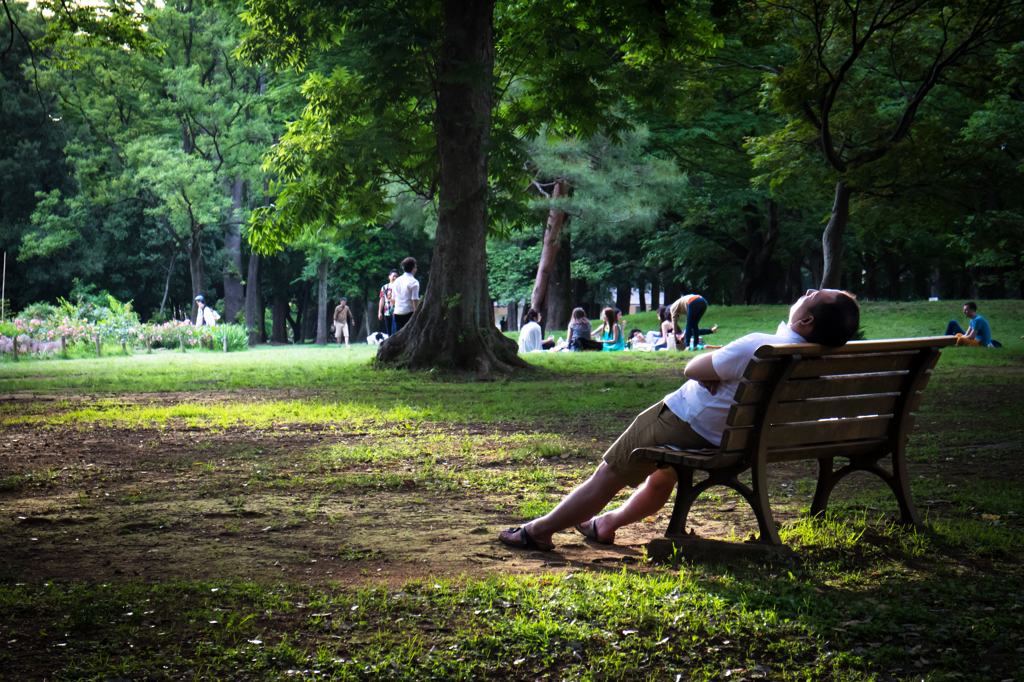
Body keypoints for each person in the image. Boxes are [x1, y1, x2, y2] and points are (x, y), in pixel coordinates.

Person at [498, 289, 860, 551]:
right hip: (736, 438)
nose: (808, 290)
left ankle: (539, 531)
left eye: (813, 294)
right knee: (662, 477)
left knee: (609, 474)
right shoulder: (823, 359)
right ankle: (604, 524)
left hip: (686, 422)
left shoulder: (759, 346)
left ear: (807, 320)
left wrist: (718, 366)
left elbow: (692, 368)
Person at [392, 257, 420, 332]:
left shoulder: (396, 281)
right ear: (413, 268)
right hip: (409, 313)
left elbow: (393, 299)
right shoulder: (414, 282)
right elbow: (415, 300)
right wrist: (416, 314)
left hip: (397, 312)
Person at [378, 269, 398, 335]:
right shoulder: (384, 287)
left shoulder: (399, 287)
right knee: (389, 331)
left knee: (395, 330)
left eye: (396, 276)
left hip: (397, 311)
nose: (395, 278)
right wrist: (380, 312)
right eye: (394, 276)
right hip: (387, 312)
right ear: (389, 276)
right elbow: (382, 299)